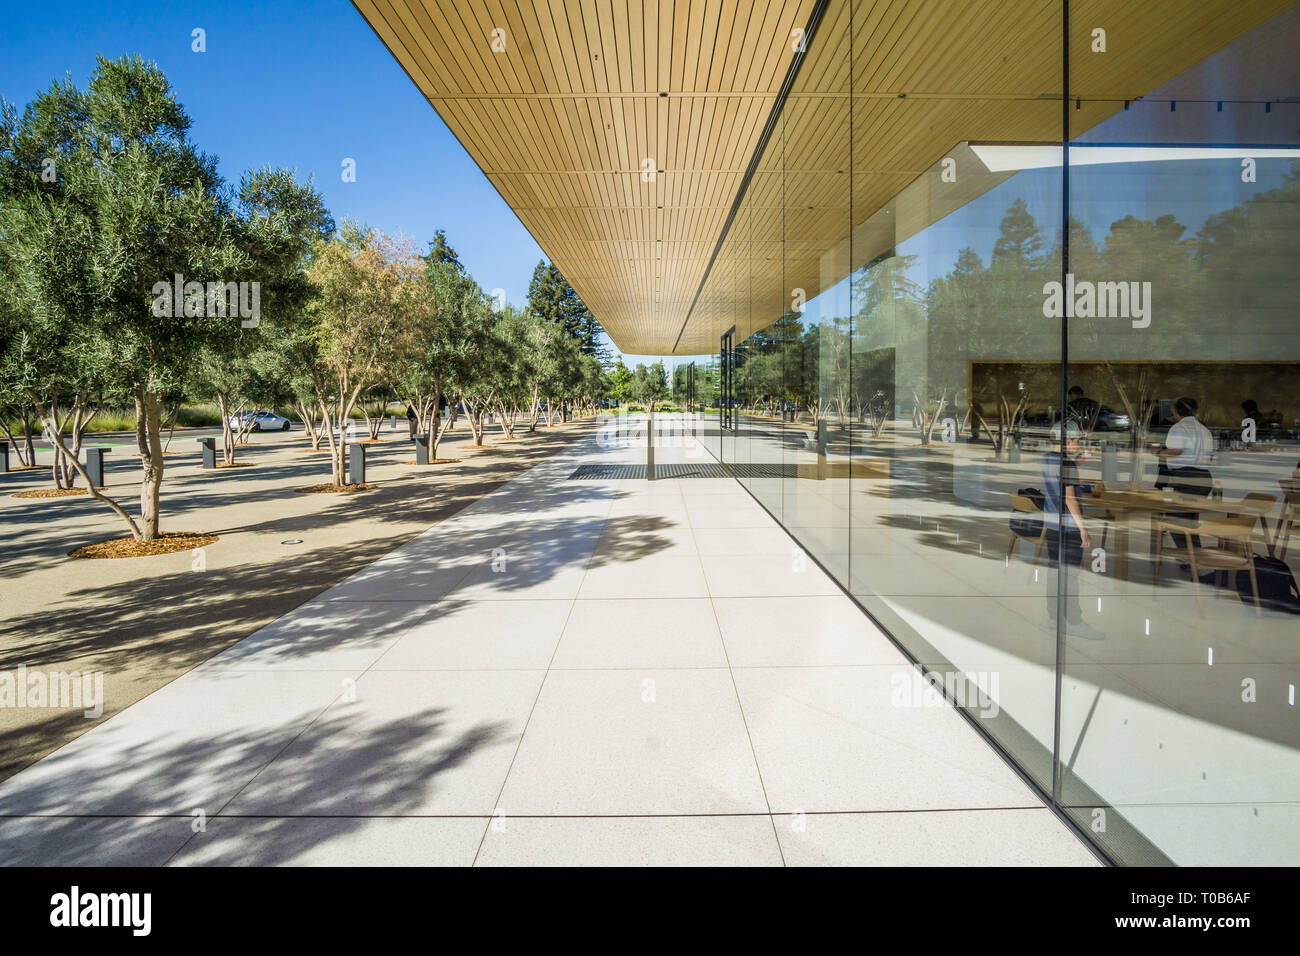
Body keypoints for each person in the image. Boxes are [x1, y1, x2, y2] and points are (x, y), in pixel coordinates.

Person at [1042, 421, 1105, 640]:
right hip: (1067, 527)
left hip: (1051, 524)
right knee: (1070, 575)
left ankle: (1053, 618)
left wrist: (1076, 463)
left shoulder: (1049, 459)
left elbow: (1060, 481)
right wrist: (1083, 529)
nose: (1078, 444)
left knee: (1055, 573)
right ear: (1066, 440)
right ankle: (1074, 621)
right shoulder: (1066, 464)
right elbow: (1070, 498)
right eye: (1076, 440)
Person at [1151, 396, 1214, 560]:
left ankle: (1192, 559)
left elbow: (1176, 451)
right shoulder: (1204, 430)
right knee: (1187, 521)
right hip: (1204, 479)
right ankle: (1195, 558)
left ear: (1176, 411)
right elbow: (1210, 457)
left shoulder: (1178, 428)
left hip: (1185, 478)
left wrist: (1158, 452)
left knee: (1176, 521)